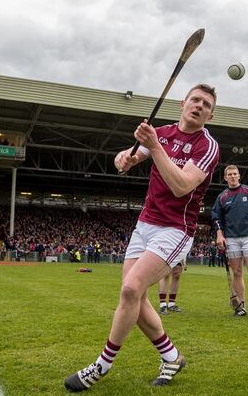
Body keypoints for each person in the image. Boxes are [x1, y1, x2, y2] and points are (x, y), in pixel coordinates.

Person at [65, 83, 219, 391]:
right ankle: (171, 356)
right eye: (195, 100)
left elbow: (181, 186)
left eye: (206, 104)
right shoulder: (161, 133)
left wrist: (155, 147)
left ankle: (101, 365)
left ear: (210, 115)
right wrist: (124, 158)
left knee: (130, 290)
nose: (199, 105)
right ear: (182, 103)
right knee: (134, 295)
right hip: (145, 223)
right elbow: (128, 156)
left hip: (176, 228)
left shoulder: (207, 146)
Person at [211, 165, 248, 319]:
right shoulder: (222, 197)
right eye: (229, 174)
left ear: (239, 175)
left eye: (235, 174)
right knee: (237, 273)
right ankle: (241, 307)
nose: (233, 176)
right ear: (225, 177)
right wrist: (219, 236)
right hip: (231, 238)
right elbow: (216, 218)